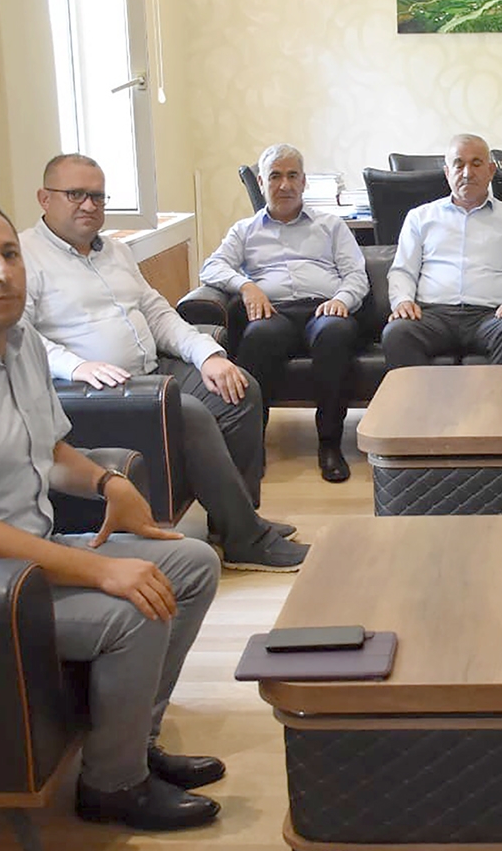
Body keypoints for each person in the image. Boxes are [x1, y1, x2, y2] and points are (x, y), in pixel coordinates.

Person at [0, 197, 231, 831]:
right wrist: (101, 570)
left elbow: (51, 451)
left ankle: (132, 741)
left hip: (23, 555)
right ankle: (113, 786)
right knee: (133, 607)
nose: (3, 272)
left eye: (10, 254)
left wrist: (107, 482)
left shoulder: (21, 342)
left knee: (193, 563)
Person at [21, 154, 305, 572]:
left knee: (239, 387)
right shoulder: (24, 257)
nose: (89, 205)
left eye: (97, 196)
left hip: (153, 368)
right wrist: (75, 366)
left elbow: (157, 313)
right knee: (187, 413)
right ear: (45, 198)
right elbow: (19, 335)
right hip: (93, 386)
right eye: (76, 194)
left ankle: (234, 522)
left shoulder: (115, 250)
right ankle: (249, 542)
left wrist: (207, 355)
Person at [199, 143, 368, 484]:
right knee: (258, 336)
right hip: (274, 312)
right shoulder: (245, 230)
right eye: (275, 176)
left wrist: (342, 299)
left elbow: (356, 274)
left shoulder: (331, 225)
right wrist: (246, 286)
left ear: (304, 182)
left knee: (335, 333)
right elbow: (211, 267)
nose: (285, 185)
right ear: (261, 182)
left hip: (324, 308)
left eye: (293, 176)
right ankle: (251, 445)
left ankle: (330, 444)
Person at [382, 134, 502, 368]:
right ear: (447, 173)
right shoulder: (420, 217)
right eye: (458, 164)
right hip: (432, 315)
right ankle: (425, 395)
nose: (466, 173)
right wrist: (402, 301)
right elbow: (402, 271)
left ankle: (497, 395)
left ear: (491, 171)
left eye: (476, 163)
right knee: (397, 332)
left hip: (492, 316)